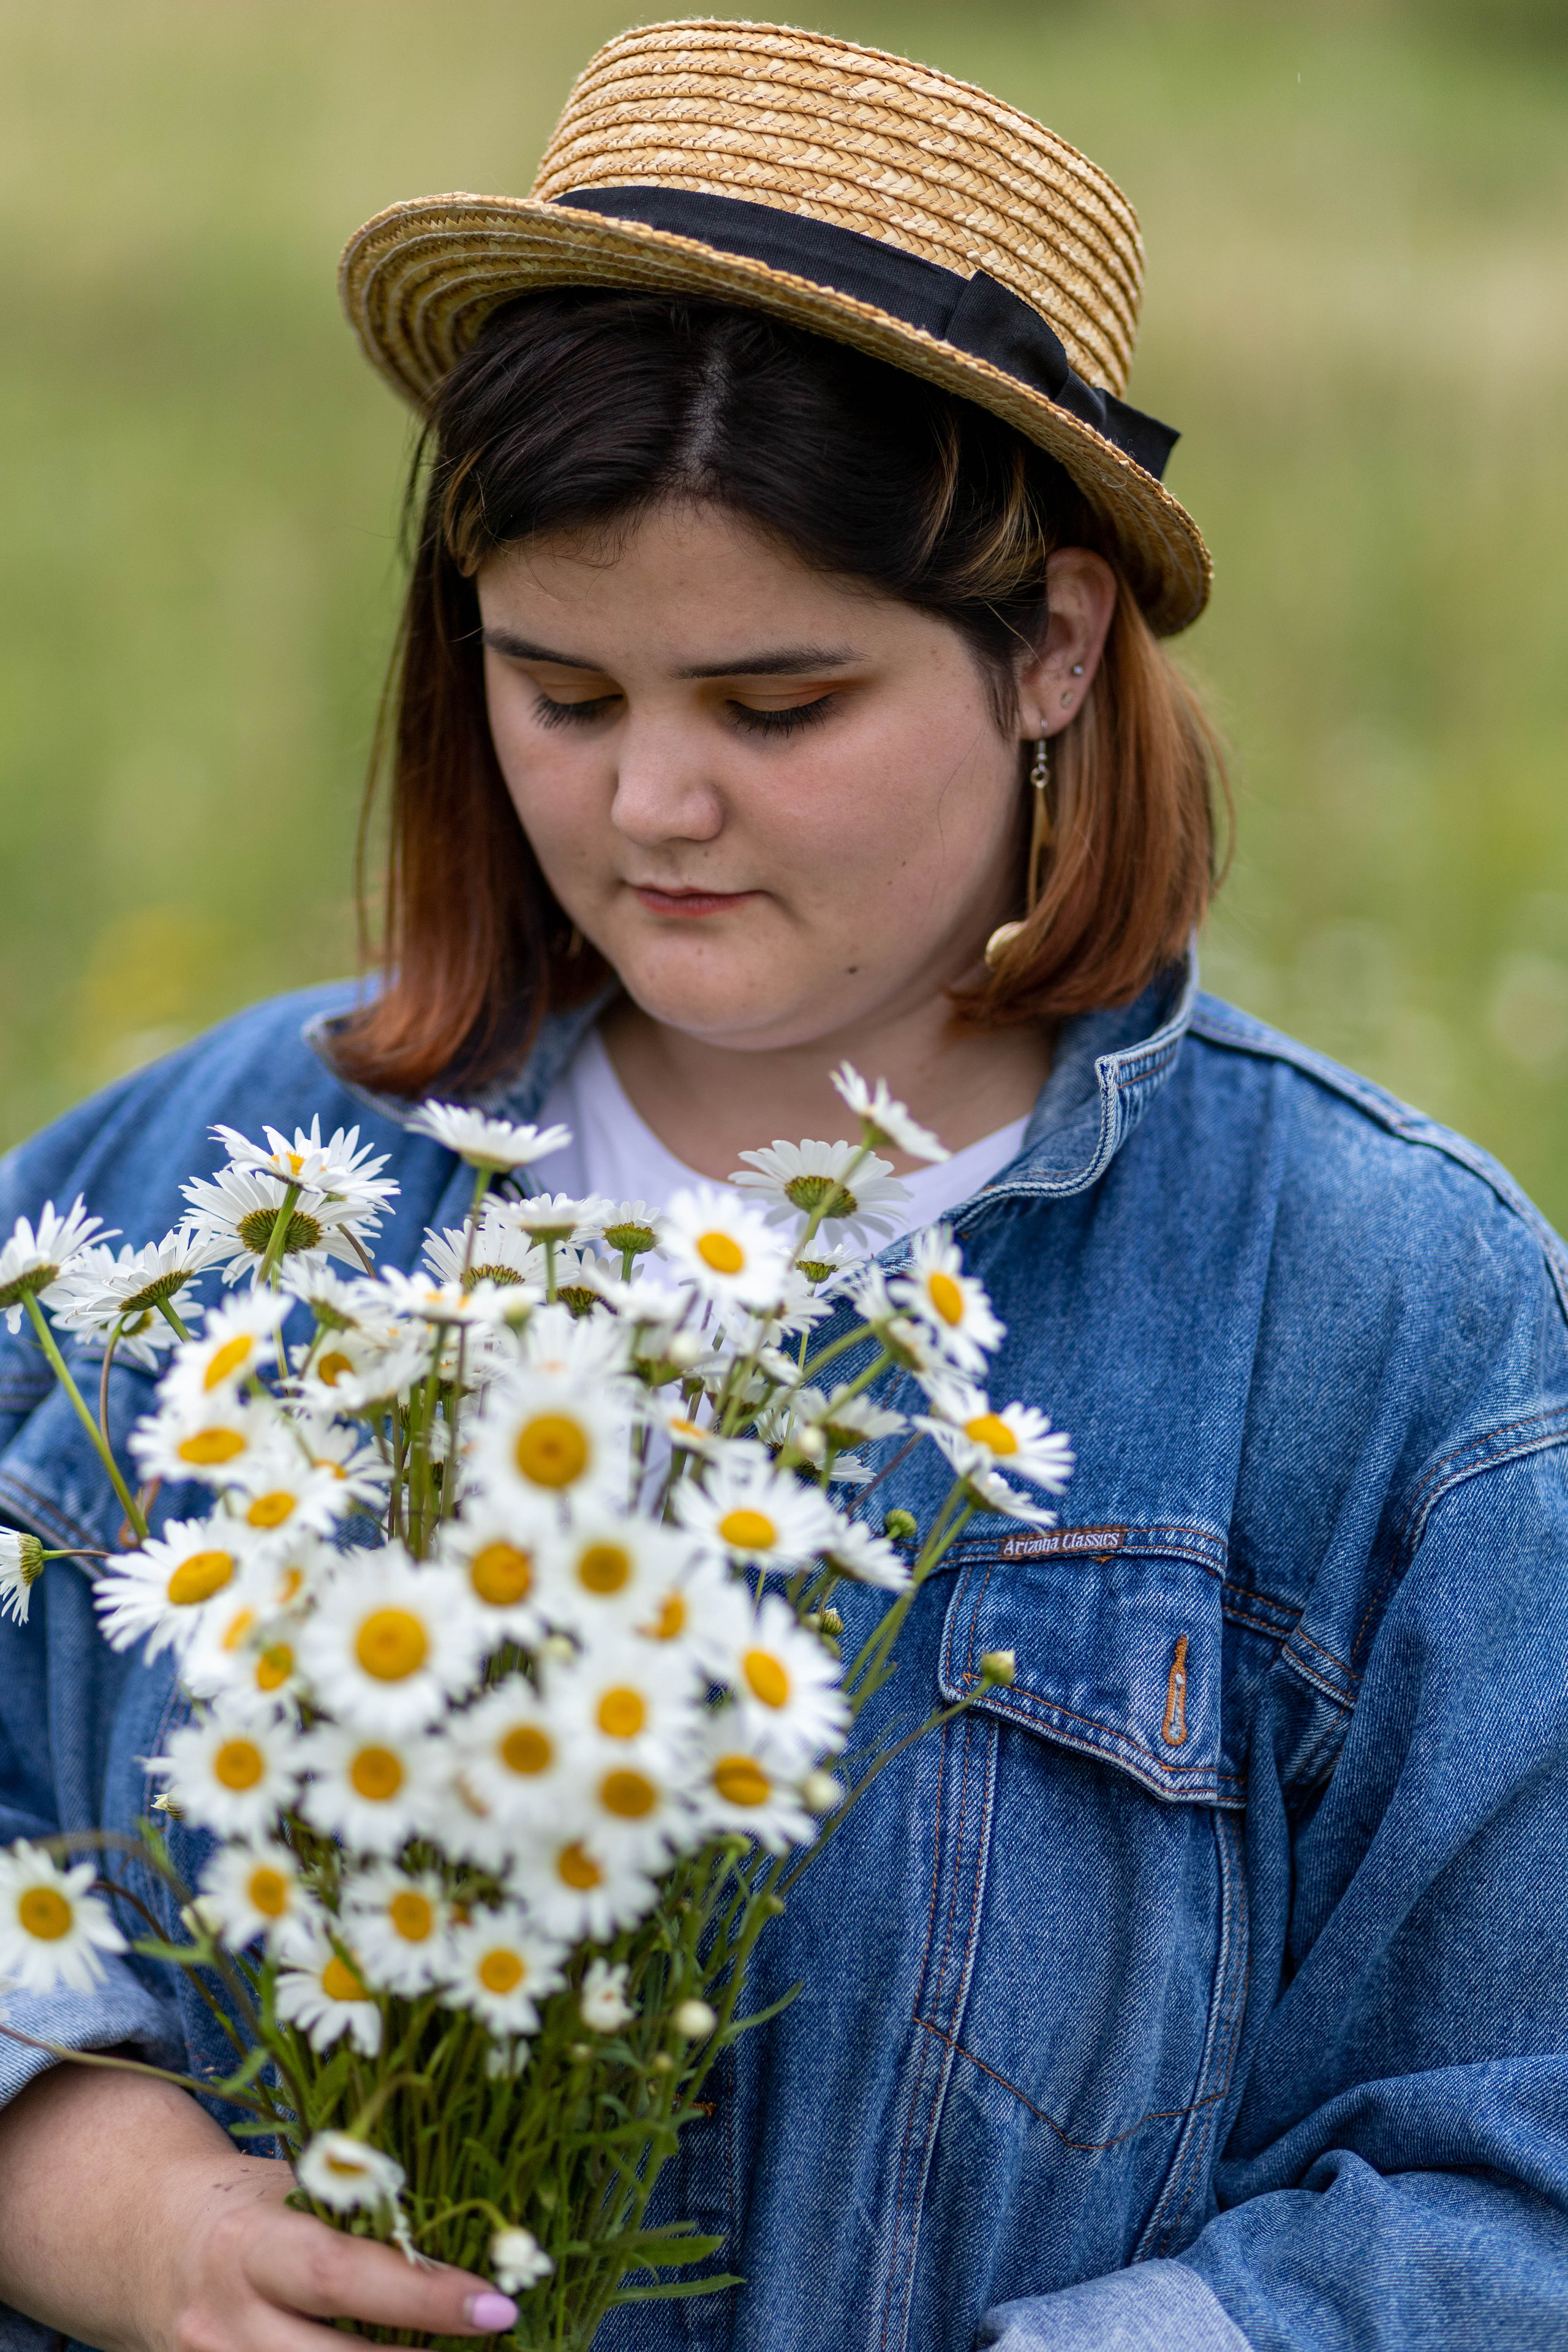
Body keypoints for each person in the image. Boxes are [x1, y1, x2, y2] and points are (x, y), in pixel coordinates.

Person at [1, 21, 1566, 2352]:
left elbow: (1507, 2178)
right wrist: (126, 2220)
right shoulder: (186, 1194)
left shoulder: (1387, 1315)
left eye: (776, 706)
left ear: (1048, 646)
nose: (652, 811)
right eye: (562, 690)